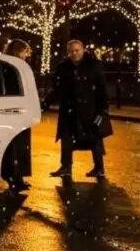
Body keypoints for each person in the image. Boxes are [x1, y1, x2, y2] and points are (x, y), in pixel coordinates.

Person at [43, 39, 113, 179]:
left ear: (83, 50)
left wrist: (103, 108)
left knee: (95, 139)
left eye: (77, 50)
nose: (74, 53)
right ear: (68, 53)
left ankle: (99, 167)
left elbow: (101, 88)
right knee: (67, 138)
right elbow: (57, 89)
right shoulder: (63, 68)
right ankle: (66, 166)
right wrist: (46, 103)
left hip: (89, 109)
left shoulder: (93, 65)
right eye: (71, 51)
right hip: (70, 109)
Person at [2, 39, 33, 192]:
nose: (26, 55)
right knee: (15, 146)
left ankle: (16, 177)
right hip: (16, 109)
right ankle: (15, 177)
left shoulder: (9, 65)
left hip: (15, 109)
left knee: (15, 146)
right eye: (25, 52)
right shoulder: (14, 67)